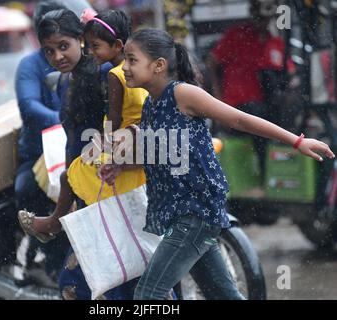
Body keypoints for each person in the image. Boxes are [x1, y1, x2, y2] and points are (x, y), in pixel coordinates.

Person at [97, 28, 335, 300]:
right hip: (182, 214)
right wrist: (121, 167)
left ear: (158, 65)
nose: (124, 67)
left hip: (195, 212)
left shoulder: (183, 94)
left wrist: (296, 142)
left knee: (147, 296)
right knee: (223, 295)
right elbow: (161, 156)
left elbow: (238, 119)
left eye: (131, 60)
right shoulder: (151, 105)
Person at [18, 8, 142, 300]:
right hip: (85, 185)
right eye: (49, 51)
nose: (58, 56)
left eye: (64, 46)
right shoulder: (64, 80)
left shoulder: (104, 76)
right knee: (99, 278)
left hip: (110, 184)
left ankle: (52, 223)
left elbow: (123, 125)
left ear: (81, 40)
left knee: (106, 277)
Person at [14, 0, 68, 281]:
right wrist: (64, 119)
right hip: (39, 156)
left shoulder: (83, 63)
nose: (58, 53)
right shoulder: (30, 65)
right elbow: (28, 105)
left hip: (78, 150)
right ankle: (44, 255)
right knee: (28, 189)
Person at [206, 0, 284, 185]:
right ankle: (266, 177)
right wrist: (218, 103)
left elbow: (286, 73)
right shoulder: (237, 35)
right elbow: (212, 62)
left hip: (266, 105)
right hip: (238, 105)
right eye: (258, 14)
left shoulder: (276, 43)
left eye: (266, 17)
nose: (261, 21)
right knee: (261, 118)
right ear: (251, 12)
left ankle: (280, 173)